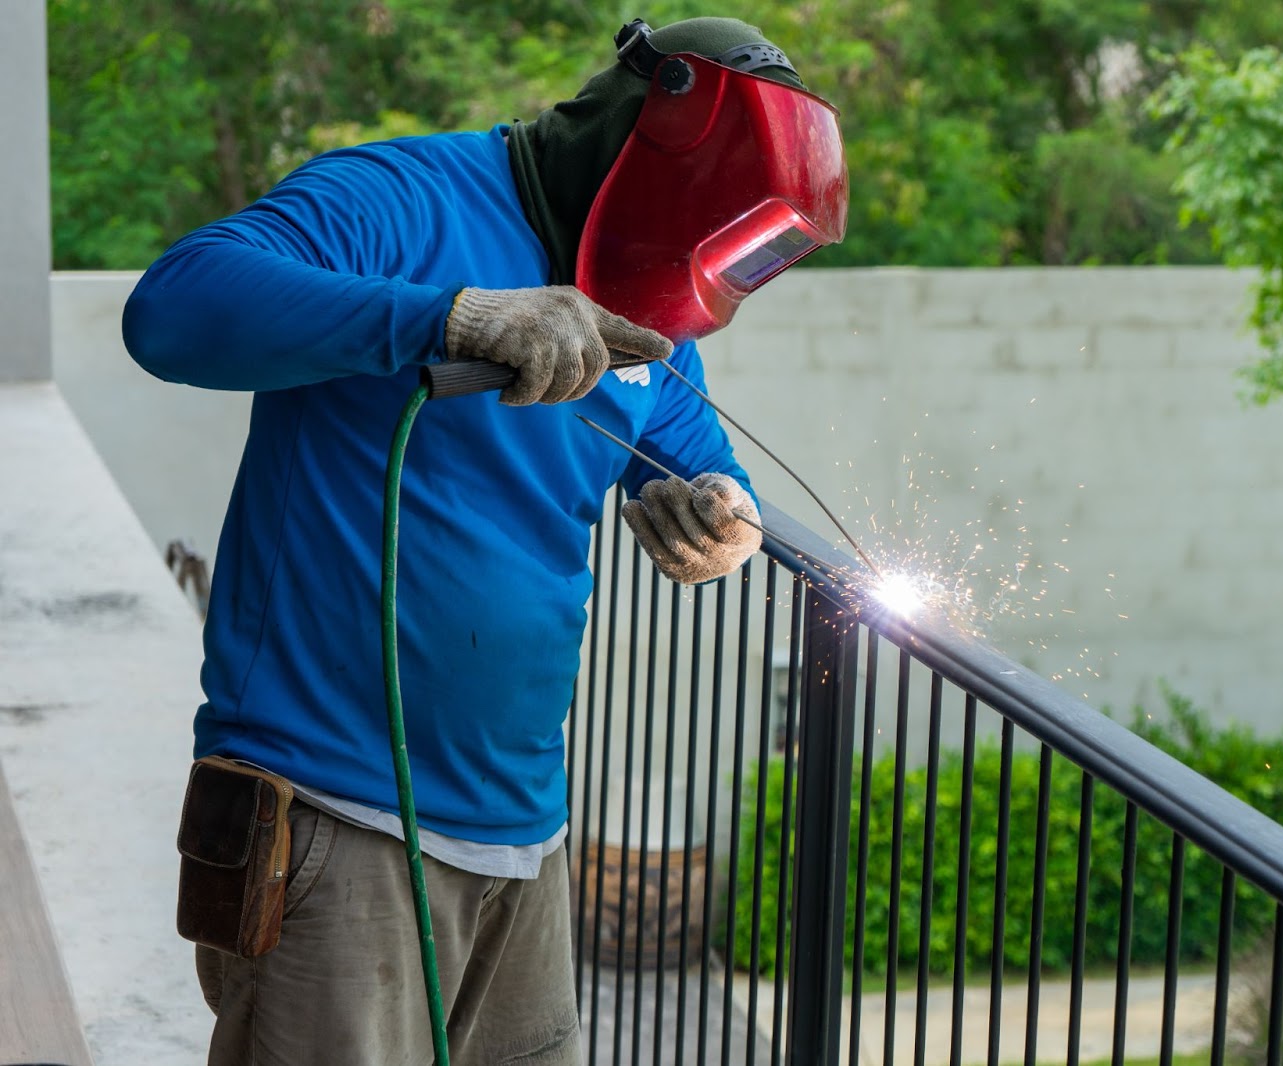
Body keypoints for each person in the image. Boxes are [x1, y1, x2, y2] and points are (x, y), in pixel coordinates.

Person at [122, 15, 846, 1065]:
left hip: (525, 831)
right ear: (654, 139)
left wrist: (718, 518)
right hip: (333, 818)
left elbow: (688, 446)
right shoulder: (395, 199)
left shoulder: (646, 299)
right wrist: (452, 317)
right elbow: (171, 311)